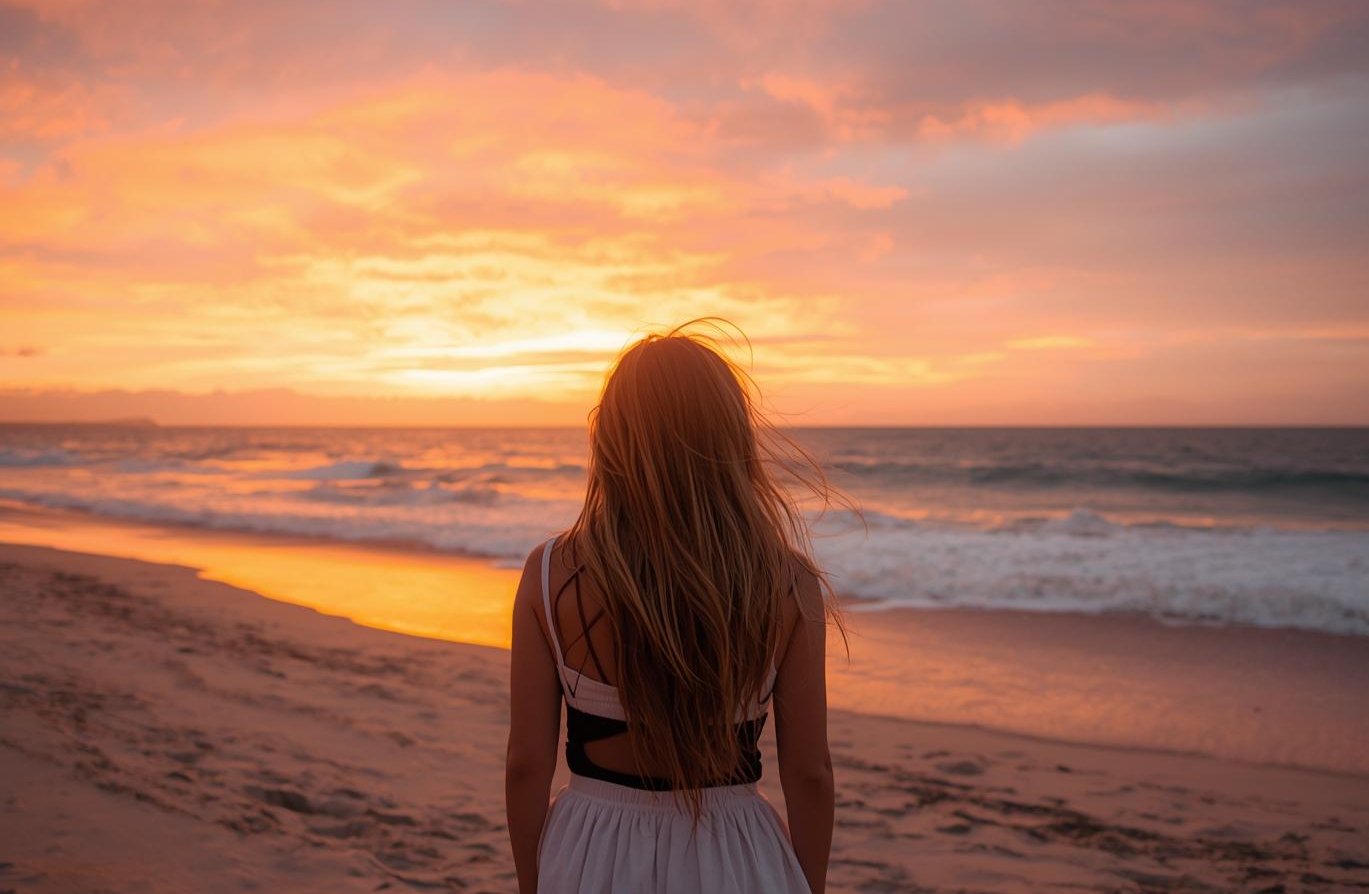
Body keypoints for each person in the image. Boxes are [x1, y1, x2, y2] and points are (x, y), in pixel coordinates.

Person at [505, 320, 849, 894]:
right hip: (735, 852)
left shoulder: (551, 573)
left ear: (611, 437)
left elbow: (525, 765)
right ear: (730, 440)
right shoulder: (786, 583)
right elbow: (809, 774)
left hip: (592, 847)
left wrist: (532, 882)